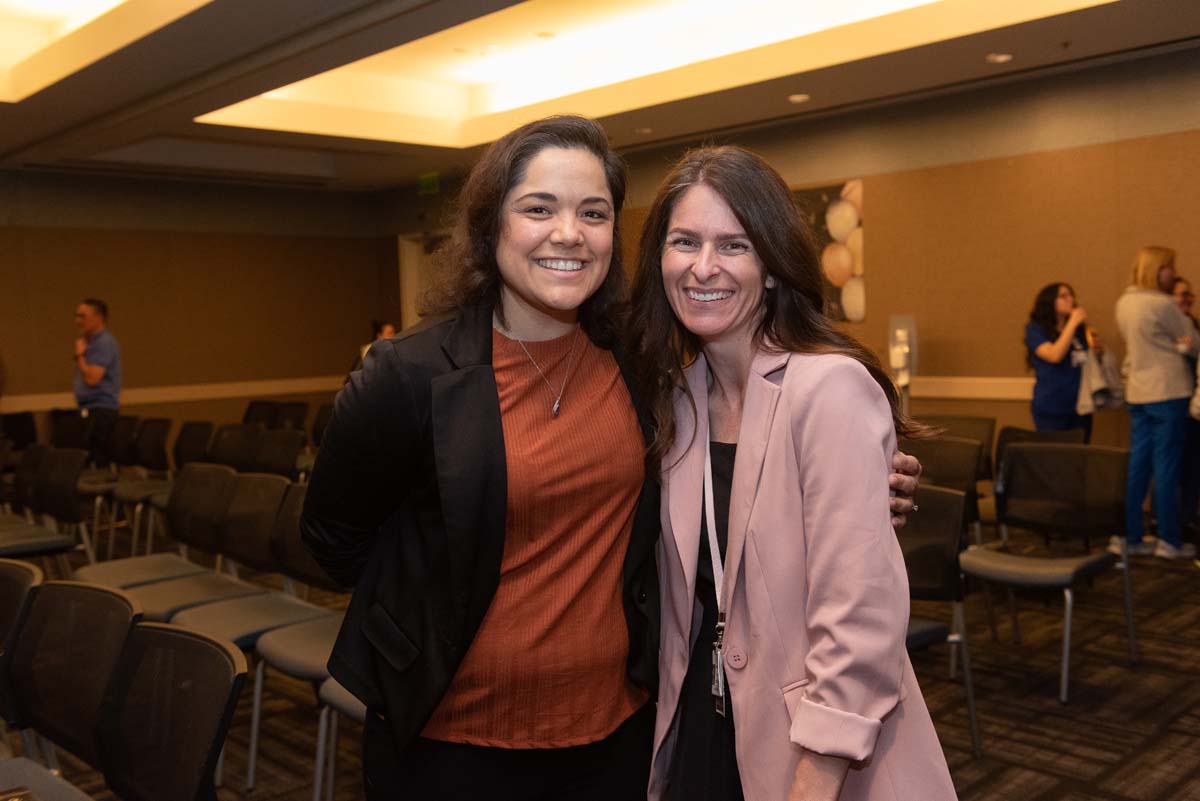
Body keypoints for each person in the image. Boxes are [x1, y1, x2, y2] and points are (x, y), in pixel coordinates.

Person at [300, 116, 920, 801]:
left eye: (593, 213)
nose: (568, 232)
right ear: (491, 226)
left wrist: (867, 483)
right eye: (539, 207)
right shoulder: (410, 373)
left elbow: (746, 473)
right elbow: (334, 540)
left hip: (619, 740)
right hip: (450, 744)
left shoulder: (641, 364)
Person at [629, 146, 953, 801]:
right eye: (684, 241)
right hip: (701, 719)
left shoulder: (827, 388)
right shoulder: (676, 400)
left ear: (773, 268)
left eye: (734, 245)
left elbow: (859, 615)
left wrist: (814, 778)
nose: (703, 267)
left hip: (813, 746)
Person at [1111, 247, 1198, 561]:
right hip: (1168, 391)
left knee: (1138, 466)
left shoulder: (1124, 303)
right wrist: (1180, 346)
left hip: (1138, 392)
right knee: (1166, 468)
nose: (1172, 274)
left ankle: (1131, 535)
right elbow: (1192, 340)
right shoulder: (1162, 304)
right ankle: (1169, 540)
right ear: (1156, 270)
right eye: (1169, 268)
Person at [1023, 283, 1099, 441]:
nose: (1070, 299)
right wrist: (1071, 323)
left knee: (1080, 458)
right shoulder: (1035, 330)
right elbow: (1054, 355)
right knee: (1055, 459)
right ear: (1050, 301)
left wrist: (1097, 349)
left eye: (1071, 295)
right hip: (1052, 407)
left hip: (1080, 407)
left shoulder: (1079, 331)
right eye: (1063, 296)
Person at [72, 298, 122, 467]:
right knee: (87, 458)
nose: (77, 321)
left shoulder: (104, 343)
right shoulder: (90, 343)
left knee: (99, 461)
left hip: (101, 410)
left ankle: (100, 493)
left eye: (82, 317)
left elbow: (93, 378)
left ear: (98, 318)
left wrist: (80, 356)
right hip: (89, 409)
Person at [1173, 276, 1200, 535]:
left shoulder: (1194, 326)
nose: (1188, 299)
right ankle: (1170, 519)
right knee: (1174, 466)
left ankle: (1189, 516)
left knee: (1194, 465)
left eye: (1190, 294)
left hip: (1195, 407)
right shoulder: (1166, 329)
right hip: (1174, 404)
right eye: (1182, 294)